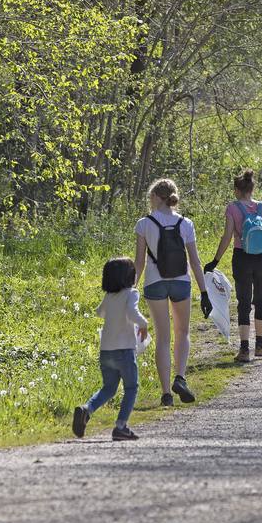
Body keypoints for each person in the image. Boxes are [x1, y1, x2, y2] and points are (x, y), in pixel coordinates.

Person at [135, 179, 213, 407]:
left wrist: (130, 291)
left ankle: (166, 393)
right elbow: (195, 262)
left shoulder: (144, 224)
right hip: (181, 281)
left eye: (150, 198)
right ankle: (180, 377)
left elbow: (139, 263)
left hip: (154, 283)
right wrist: (204, 291)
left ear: (156, 198)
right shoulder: (186, 223)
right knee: (182, 332)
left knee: (163, 336)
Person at [203, 169, 262, 363]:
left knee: (243, 302)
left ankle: (244, 350)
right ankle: (260, 346)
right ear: (252, 189)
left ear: (236, 190)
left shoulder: (232, 209)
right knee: (260, 299)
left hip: (242, 257)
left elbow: (227, 236)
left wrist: (215, 261)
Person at [73, 257, 147, 442]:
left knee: (109, 388)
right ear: (128, 276)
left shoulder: (109, 296)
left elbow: (100, 312)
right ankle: (121, 426)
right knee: (131, 387)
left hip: (106, 351)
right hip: (124, 350)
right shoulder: (132, 293)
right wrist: (144, 323)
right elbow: (131, 312)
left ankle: (86, 410)